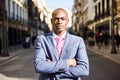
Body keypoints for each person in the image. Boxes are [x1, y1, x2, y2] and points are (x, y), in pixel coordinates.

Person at [34, 8, 89, 80]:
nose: (59, 22)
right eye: (56, 19)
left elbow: (84, 70)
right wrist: (67, 63)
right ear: (51, 21)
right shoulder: (41, 40)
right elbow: (39, 66)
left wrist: (50, 67)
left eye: (62, 19)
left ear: (67, 21)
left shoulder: (78, 41)